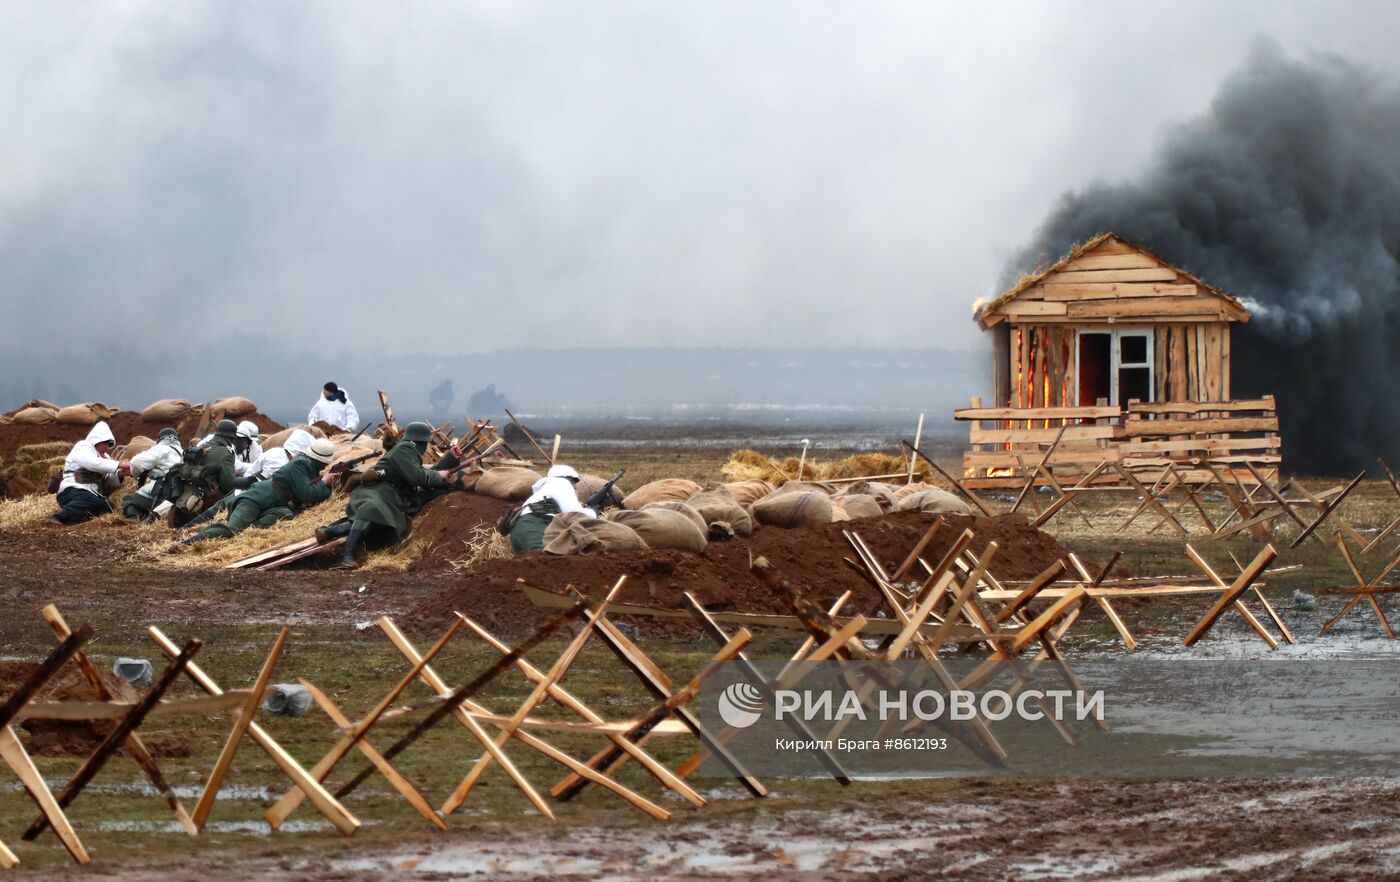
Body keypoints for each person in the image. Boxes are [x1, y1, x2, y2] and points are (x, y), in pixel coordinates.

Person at [316, 421, 458, 569]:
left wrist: (450, 458)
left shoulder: (407, 450)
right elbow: (417, 477)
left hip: (387, 495)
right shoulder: (405, 448)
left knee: (379, 521)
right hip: (376, 491)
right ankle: (347, 556)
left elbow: (425, 472)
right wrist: (439, 475)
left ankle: (329, 531)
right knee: (371, 510)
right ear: (420, 441)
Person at [186, 439, 339, 542]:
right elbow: (308, 494)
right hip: (254, 500)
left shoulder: (308, 469)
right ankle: (188, 542)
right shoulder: (300, 465)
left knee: (287, 514)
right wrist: (325, 482)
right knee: (233, 529)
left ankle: (201, 533)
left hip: (267, 505)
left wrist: (326, 485)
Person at [169, 419, 254, 526]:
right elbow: (227, 484)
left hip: (187, 497)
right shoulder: (226, 452)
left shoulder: (203, 446)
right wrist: (248, 482)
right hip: (206, 503)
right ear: (232, 436)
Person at [50, 421, 131, 525]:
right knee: (89, 499)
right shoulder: (83, 446)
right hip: (72, 491)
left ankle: (76, 518)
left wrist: (120, 475)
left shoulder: (106, 458)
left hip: (93, 495)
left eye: (110, 444)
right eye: (106, 443)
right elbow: (92, 463)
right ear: (97, 440)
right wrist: (120, 464)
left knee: (108, 506)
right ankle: (58, 518)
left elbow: (106, 483)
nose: (107, 447)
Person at [509, 464, 594, 552]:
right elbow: (574, 513)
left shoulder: (544, 490)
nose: (575, 486)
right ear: (568, 478)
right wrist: (592, 512)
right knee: (547, 559)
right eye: (573, 482)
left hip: (518, 531)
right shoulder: (562, 483)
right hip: (533, 527)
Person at [120, 428, 184, 521]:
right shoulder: (183, 453)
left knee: (128, 499)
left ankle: (133, 518)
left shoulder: (162, 448)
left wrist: (134, 473)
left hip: (162, 490)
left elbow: (138, 463)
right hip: (178, 495)